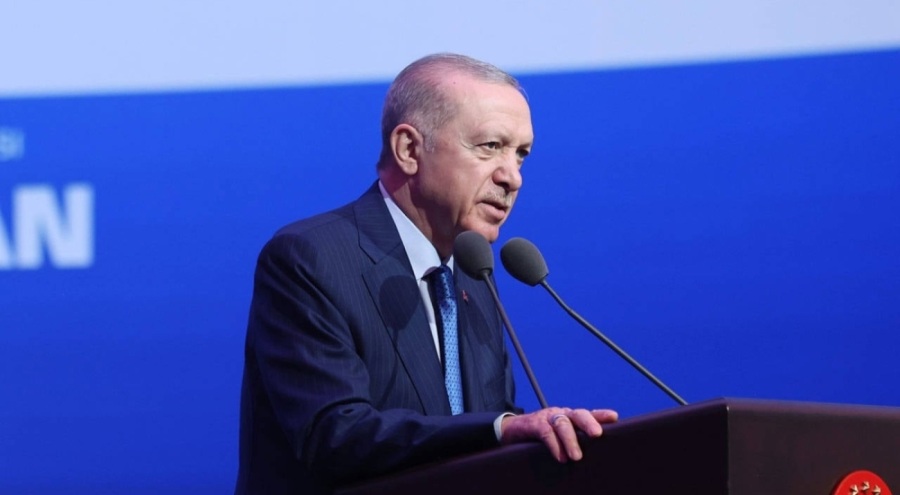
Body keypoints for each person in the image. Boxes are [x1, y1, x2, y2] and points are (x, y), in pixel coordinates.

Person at [235, 53, 618, 495]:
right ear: (409, 150)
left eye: (521, 155)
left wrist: (542, 436)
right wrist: (501, 429)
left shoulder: (472, 275)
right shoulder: (310, 259)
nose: (512, 177)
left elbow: (486, 432)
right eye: (490, 146)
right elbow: (334, 435)